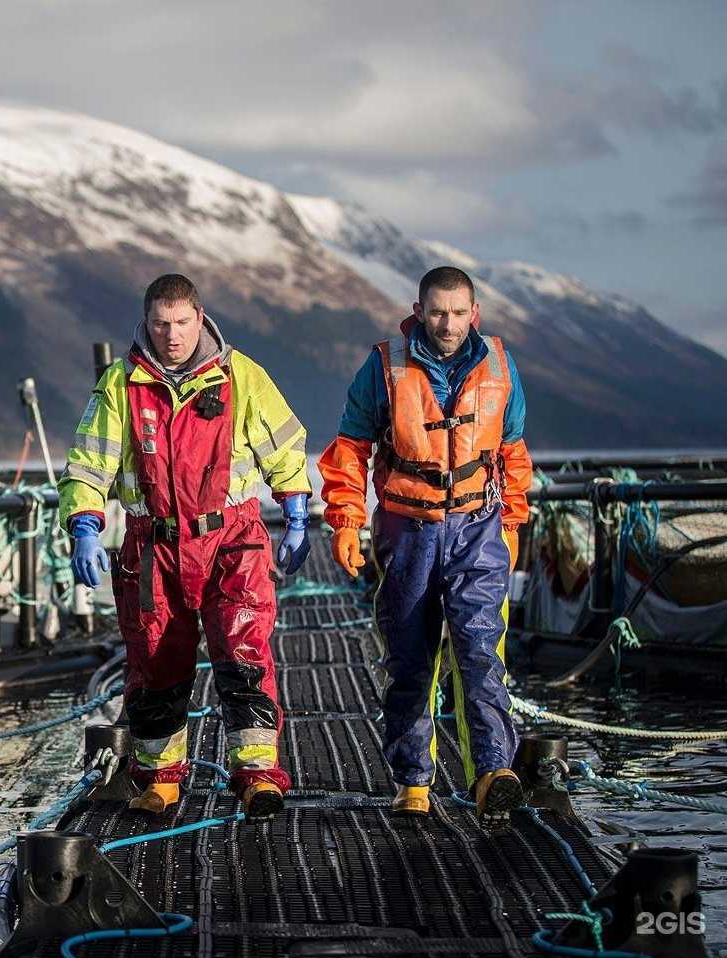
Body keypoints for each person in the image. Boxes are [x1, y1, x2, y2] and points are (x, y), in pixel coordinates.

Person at [58, 273, 312, 818]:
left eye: (180, 322)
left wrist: (295, 509)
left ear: (200, 318)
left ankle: (257, 774)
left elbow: (285, 444)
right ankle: (159, 777)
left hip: (232, 539)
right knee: (156, 661)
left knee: (243, 651)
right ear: (146, 322)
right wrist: (84, 524)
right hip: (154, 546)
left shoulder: (241, 376)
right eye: (160, 323)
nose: (171, 334)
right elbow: (88, 461)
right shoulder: (120, 384)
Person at [318, 266, 533, 821]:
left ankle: (492, 772)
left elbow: (511, 452)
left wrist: (511, 522)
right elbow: (350, 446)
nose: (449, 322)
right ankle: (413, 779)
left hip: (477, 527)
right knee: (410, 656)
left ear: (475, 314)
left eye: (459, 312)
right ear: (419, 309)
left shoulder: (501, 367)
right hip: (406, 531)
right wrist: (345, 519)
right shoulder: (385, 365)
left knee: (481, 650)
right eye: (438, 311)